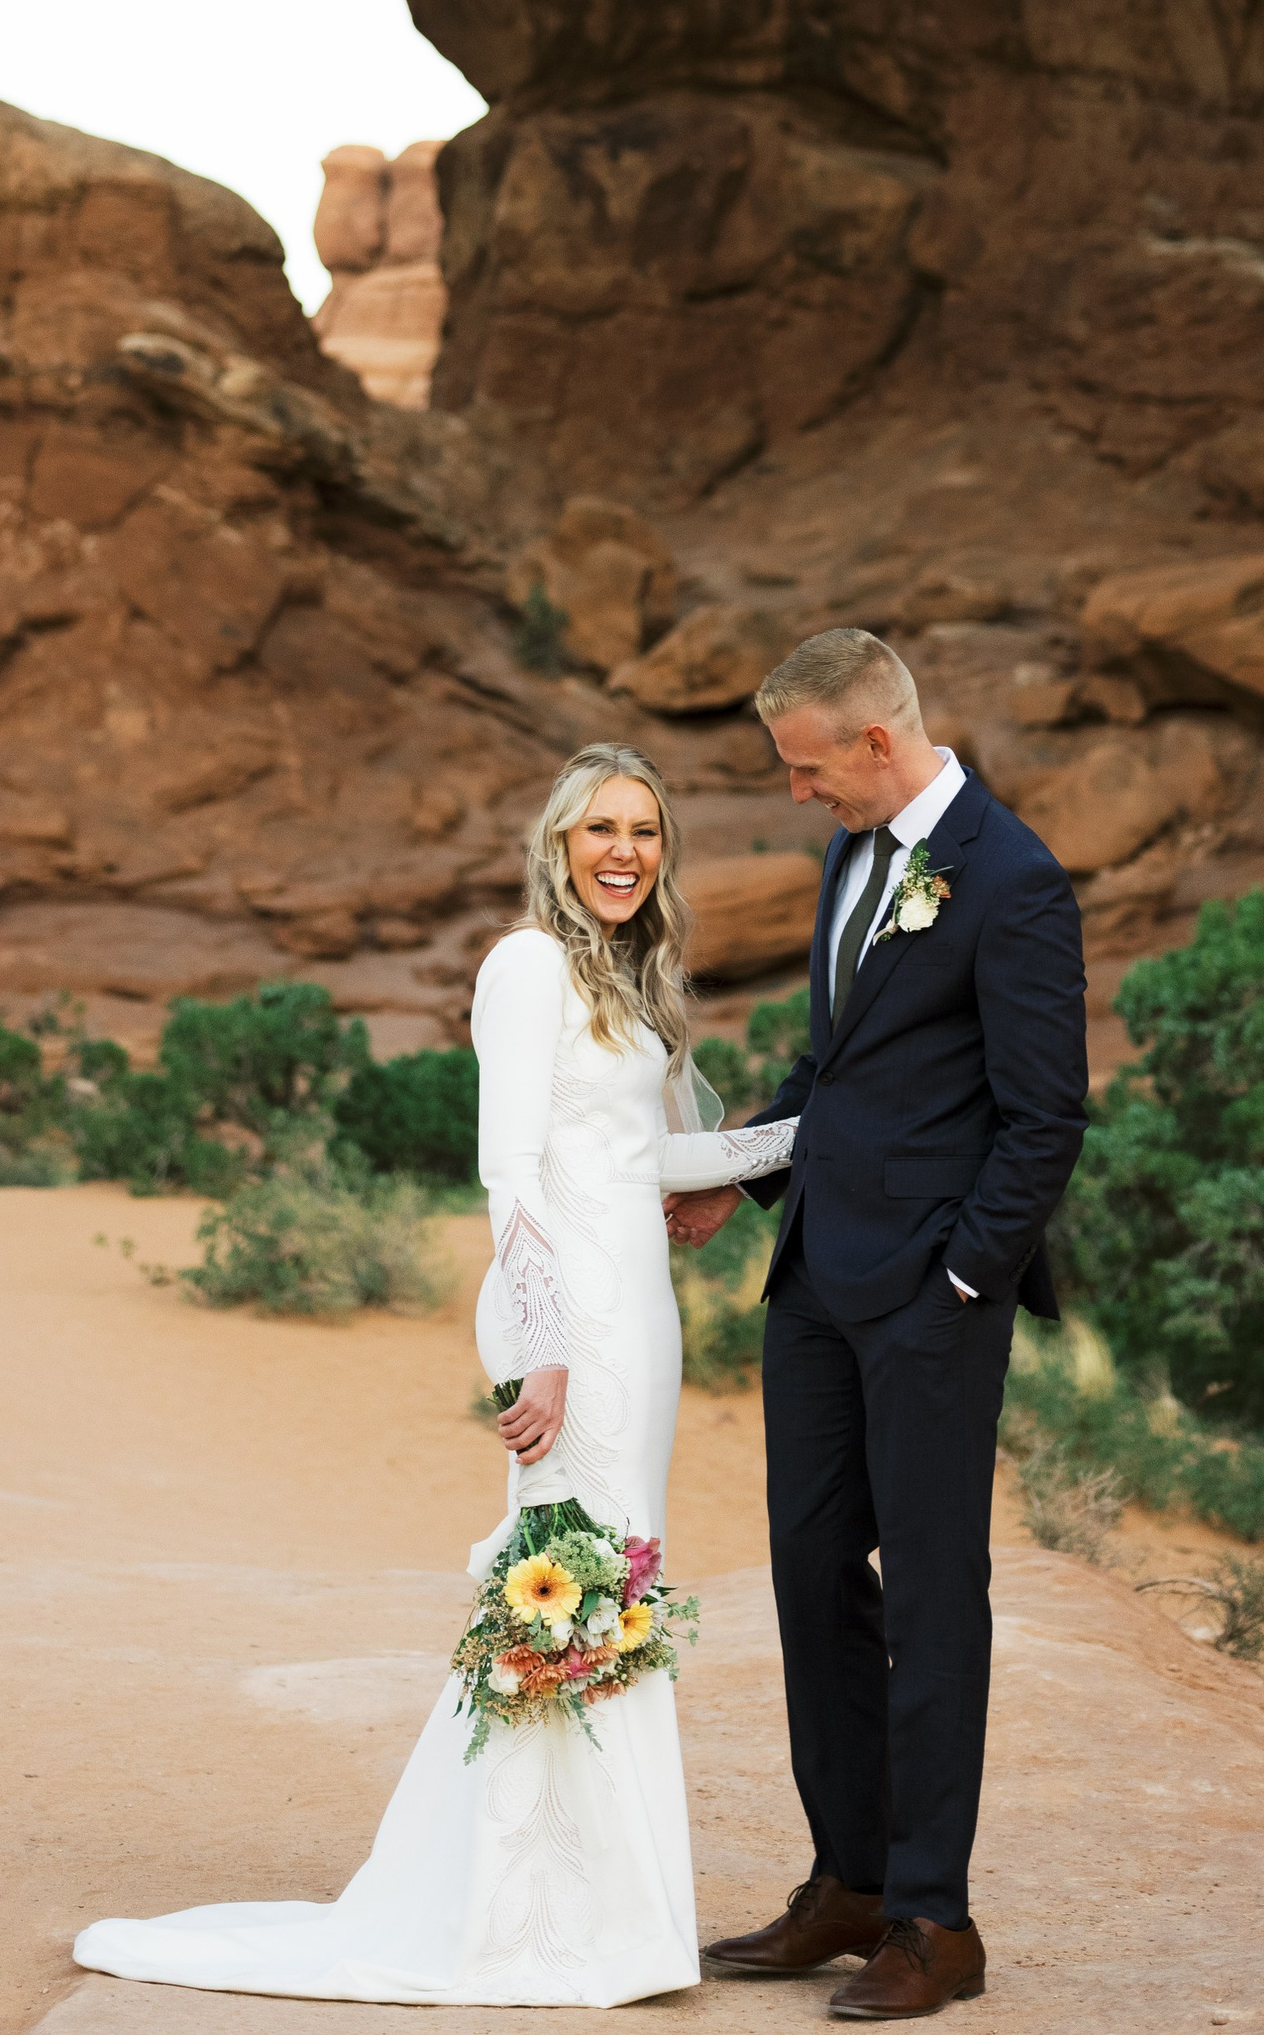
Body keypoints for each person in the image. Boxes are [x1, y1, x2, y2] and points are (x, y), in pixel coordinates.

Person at [71, 739, 790, 2007]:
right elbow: (510, 1173)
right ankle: (524, 1912)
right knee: (563, 1585)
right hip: (573, 1330)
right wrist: (542, 1345)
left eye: (645, 829)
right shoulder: (524, 967)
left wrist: (818, 1127)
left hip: (645, 1326)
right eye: (598, 829)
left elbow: (640, 1161)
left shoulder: (630, 982)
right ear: (558, 845)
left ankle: (605, 1911)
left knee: (619, 1582)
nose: (624, 850)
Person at [664, 628, 1086, 2022]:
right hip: (814, 1287)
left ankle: (931, 1917)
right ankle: (846, 1877)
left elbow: (1043, 1118)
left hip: (927, 1305)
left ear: (876, 744)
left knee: (931, 1596)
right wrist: (741, 1173)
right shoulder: (856, 853)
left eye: (805, 768)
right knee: (805, 1576)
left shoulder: (1012, 880)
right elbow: (830, 1065)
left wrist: (962, 1281)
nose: (797, 794)